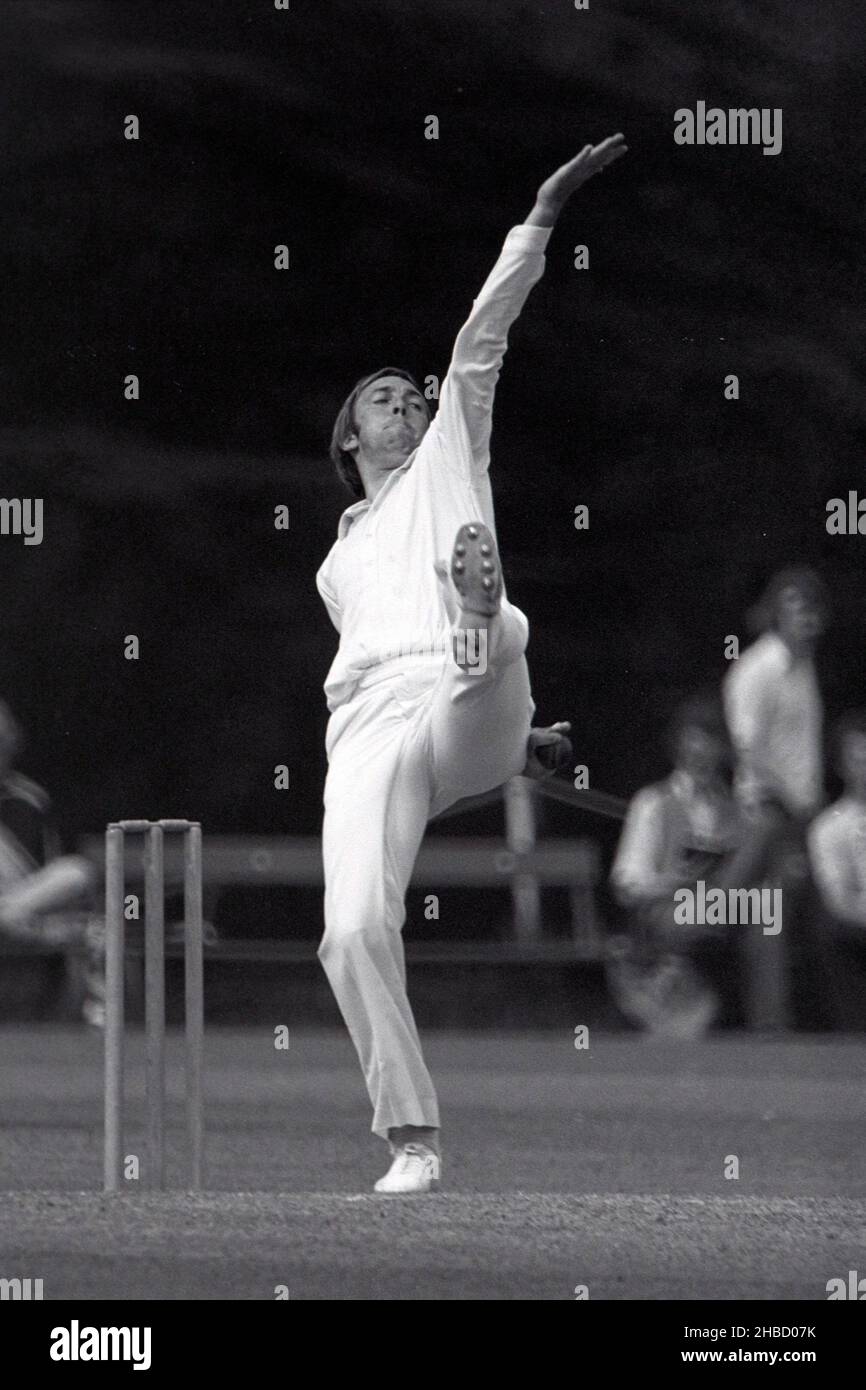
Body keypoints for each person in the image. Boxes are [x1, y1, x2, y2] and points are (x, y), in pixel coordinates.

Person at [316, 134, 626, 1193]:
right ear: (347, 438)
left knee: (495, 633)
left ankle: (482, 626)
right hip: (371, 722)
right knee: (351, 925)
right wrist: (506, 751)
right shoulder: (337, 561)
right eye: (385, 398)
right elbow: (412, 777)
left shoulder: (451, 446)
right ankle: (411, 1138)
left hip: (468, 680)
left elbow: (480, 337)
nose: (409, 402)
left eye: (413, 392)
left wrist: (536, 218)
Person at [608, 694, 755, 1037]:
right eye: (693, 744)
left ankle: (769, 1028)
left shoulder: (738, 810)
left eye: (709, 744)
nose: (701, 754)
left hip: (731, 910)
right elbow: (628, 883)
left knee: (769, 919)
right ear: (679, 749)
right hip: (671, 910)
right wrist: (673, 882)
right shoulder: (654, 803)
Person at [722, 566, 828, 1027]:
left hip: (802, 813)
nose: (803, 616)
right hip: (769, 813)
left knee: (777, 919)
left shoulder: (803, 666)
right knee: (765, 916)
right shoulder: (757, 670)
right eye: (792, 607)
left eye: (810, 607)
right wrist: (793, 804)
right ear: (774, 612)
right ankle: (770, 1029)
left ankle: (777, 1027)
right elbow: (750, 750)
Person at [0, 702, 103, 1024]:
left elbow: (51, 878)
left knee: (77, 870)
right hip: (23, 922)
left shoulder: (30, 800)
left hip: (21, 907)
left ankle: (7, 918)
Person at [806, 711, 866, 1027]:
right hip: (858, 926)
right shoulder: (829, 826)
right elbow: (839, 901)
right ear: (842, 767)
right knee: (831, 930)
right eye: (858, 759)